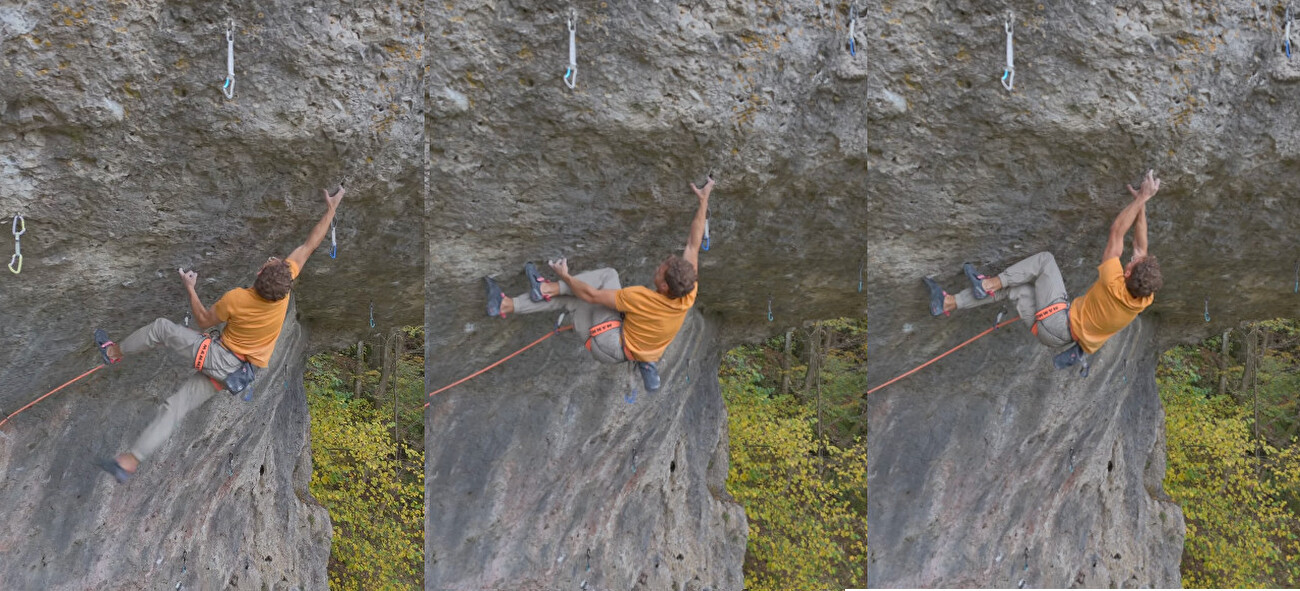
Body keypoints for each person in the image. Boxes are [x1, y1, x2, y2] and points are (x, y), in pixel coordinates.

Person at [95, 186, 345, 483]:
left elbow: (201, 320)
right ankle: (128, 462)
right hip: (237, 372)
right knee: (175, 408)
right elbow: (310, 244)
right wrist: (330, 208)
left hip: (220, 356)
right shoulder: (284, 287)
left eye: (270, 260)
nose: (275, 258)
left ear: (258, 276)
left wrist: (190, 288)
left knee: (162, 328)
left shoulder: (238, 299)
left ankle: (114, 353)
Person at [483, 178, 713, 392]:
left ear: (664, 287)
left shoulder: (642, 298)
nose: (657, 268)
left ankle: (544, 289)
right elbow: (693, 245)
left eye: (660, 272)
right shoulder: (687, 292)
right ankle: (505, 305)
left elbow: (593, 295)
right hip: (628, 348)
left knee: (606, 277)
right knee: (572, 300)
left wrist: (565, 277)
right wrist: (703, 200)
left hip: (609, 343)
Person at [923, 170, 1163, 363]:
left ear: (1127, 273)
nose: (1131, 259)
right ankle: (947, 302)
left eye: (1130, 264)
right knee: (1015, 290)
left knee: (1045, 261)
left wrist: (1143, 197)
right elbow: (1141, 249)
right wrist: (1140, 202)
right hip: (1059, 340)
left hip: (1058, 321)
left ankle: (985, 284)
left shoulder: (1113, 282)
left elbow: (1117, 232)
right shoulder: (1143, 299)